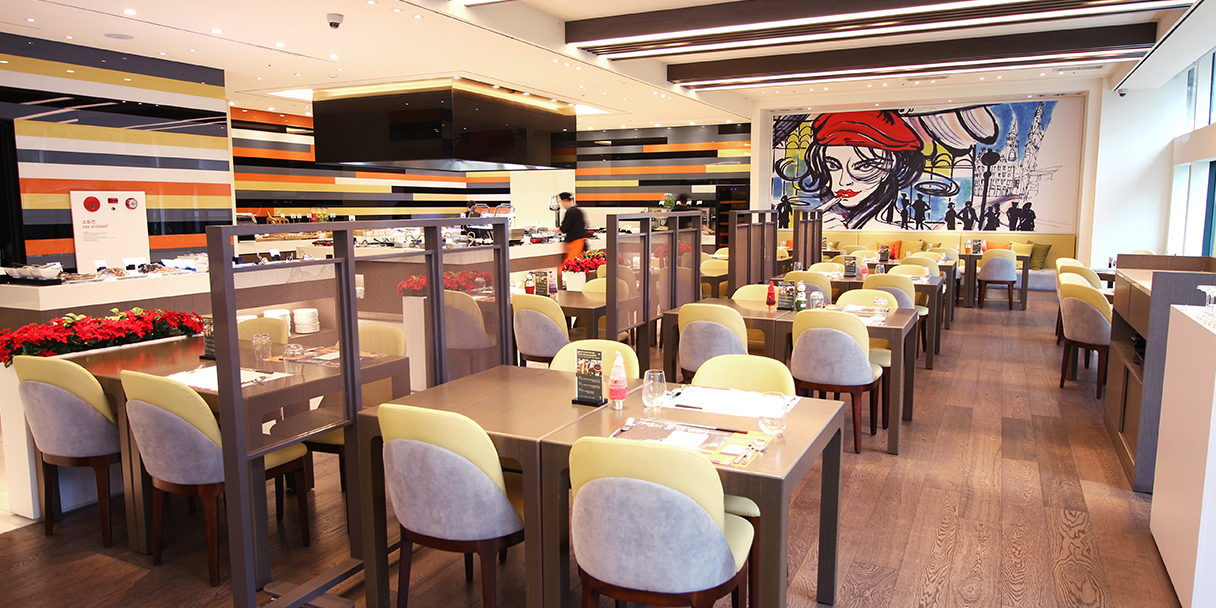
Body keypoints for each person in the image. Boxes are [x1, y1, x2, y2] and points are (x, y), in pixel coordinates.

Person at [773, 110, 925, 229]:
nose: (843, 182)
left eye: (864, 166)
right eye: (833, 166)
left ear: (890, 167)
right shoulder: (827, 216)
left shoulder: (891, 225)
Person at [557, 192, 586, 261]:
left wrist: (551, 229)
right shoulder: (577, 210)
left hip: (575, 243)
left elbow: (564, 229)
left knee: (571, 263)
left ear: (565, 201)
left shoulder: (571, 212)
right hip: (580, 241)